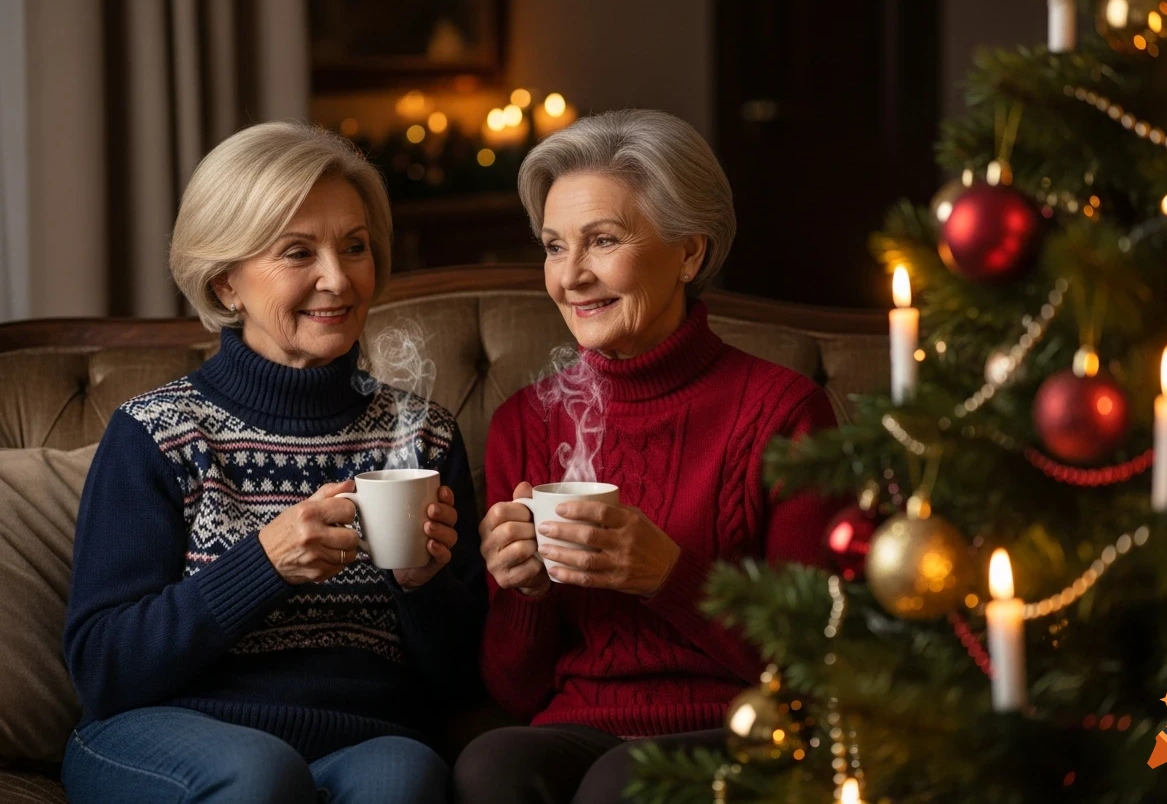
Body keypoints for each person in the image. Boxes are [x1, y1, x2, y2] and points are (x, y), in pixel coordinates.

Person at [61, 122, 486, 804]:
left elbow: (465, 684)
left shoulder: (425, 436)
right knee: (261, 775)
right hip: (169, 733)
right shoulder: (156, 433)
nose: (338, 278)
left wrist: (422, 585)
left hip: (365, 735)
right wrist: (263, 565)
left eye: (355, 247)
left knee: (405, 777)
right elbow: (104, 668)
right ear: (228, 283)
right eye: (298, 252)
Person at [454, 109, 848, 803]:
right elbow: (515, 690)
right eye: (553, 246)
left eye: (602, 240)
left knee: (620, 780)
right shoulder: (527, 421)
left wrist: (667, 574)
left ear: (689, 253)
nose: (571, 276)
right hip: (576, 725)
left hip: (737, 724)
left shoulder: (782, 412)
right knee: (490, 765)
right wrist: (526, 593)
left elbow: (812, 659)